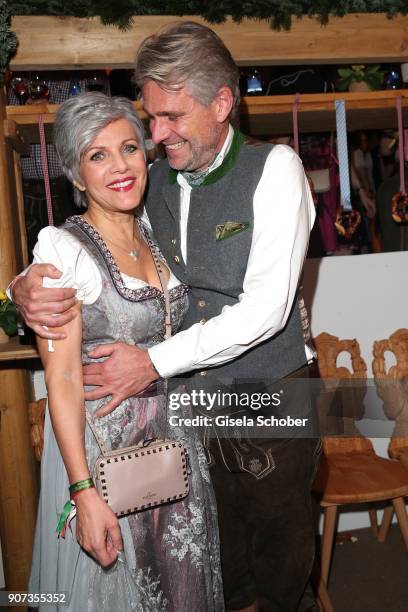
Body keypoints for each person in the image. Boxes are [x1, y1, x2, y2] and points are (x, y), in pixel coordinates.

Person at [12, 22, 319, 612]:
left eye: (169, 118)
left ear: (222, 103)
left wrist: (150, 362)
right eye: (149, 119)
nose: (155, 137)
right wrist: (21, 287)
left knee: (279, 569)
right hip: (186, 414)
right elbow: (84, 250)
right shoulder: (152, 185)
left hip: (270, 398)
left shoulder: (275, 169)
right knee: (218, 569)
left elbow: (265, 310)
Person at [26, 92, 223, 612]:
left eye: (130, 148)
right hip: (109, 460)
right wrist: (83, 491)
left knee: (186, 585)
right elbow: (63, 381)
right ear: (74, 172)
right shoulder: (63, 251)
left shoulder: (155, 232)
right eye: (98, 155)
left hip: (176, 448)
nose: (120, 167)